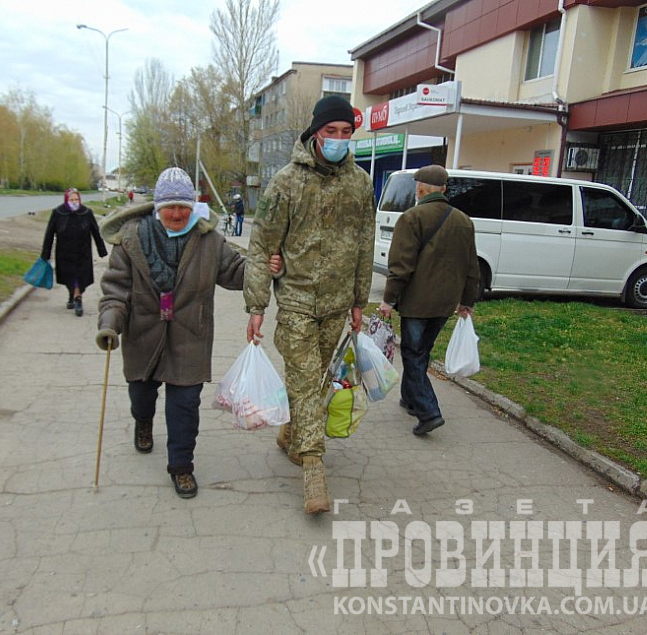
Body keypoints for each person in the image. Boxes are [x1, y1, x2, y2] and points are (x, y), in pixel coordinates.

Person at [95, 167, 282, 499]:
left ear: (194, 205)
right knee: (141, 396)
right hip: (143, 334)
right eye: (171, 206)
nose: (178, 213)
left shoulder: (208, 240)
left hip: (189, 336)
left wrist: (263, 267)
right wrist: (110, 323)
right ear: (158, 207)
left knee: (184, 406)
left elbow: (235, 272)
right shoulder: (132, 239)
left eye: (184, 206)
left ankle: (181, 467)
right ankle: (143, 421)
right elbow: (116, 290)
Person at [244, 95, 376, 515]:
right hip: (297, 302)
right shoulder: (286, 181)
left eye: (345, 133)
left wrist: (359, 300)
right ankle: (314, 469)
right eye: (330, 131)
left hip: (336, 306)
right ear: (315, 134)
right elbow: (262, 244)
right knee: (304, 381)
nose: (338, 139)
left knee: (315, 385)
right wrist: (257, 304)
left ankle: (289, 435)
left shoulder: (360, 183)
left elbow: (364, 245)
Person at [378, 164, 480, 436]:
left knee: (412, 354)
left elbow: (401, 266)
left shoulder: (411, 218)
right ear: (444, 189)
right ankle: (410, 399)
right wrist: (466, 301)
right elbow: (472, 267)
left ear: (420, 188)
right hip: (445, 304)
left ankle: (429, 411)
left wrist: (388, 300)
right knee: (421, 351)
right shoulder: (463, 221)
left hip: (416, 303)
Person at [41, 188, 107, 317]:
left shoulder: (86, 213)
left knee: (80, 277)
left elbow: (95, 232)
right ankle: (72, 294)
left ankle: (78, 299)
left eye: (76, 199)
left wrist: (101, 250)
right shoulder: (58, 213)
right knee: (69, 277)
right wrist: (46, 253)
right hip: (65, 253)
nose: (74, 202)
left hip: (83, 253)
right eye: (72, 200)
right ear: (66, 200)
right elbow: (49, 233)